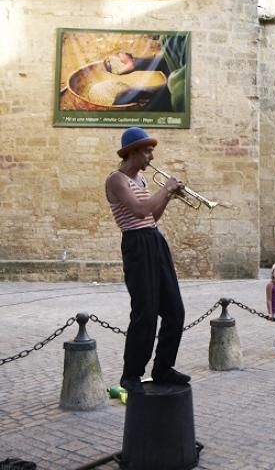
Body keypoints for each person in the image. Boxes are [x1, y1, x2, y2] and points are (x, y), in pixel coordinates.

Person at [105, 127, 189, 392]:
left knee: (175, 310)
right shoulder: (116, 180)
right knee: (145, 313)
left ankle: (163, 368)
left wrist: (169, 197)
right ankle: (131, 375)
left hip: (154, 240)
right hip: (136, 244)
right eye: (147, 151)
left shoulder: (141, 180)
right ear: (132, 152)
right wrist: (166, 189)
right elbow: (140, 211)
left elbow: (152, 216)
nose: (151, 157)